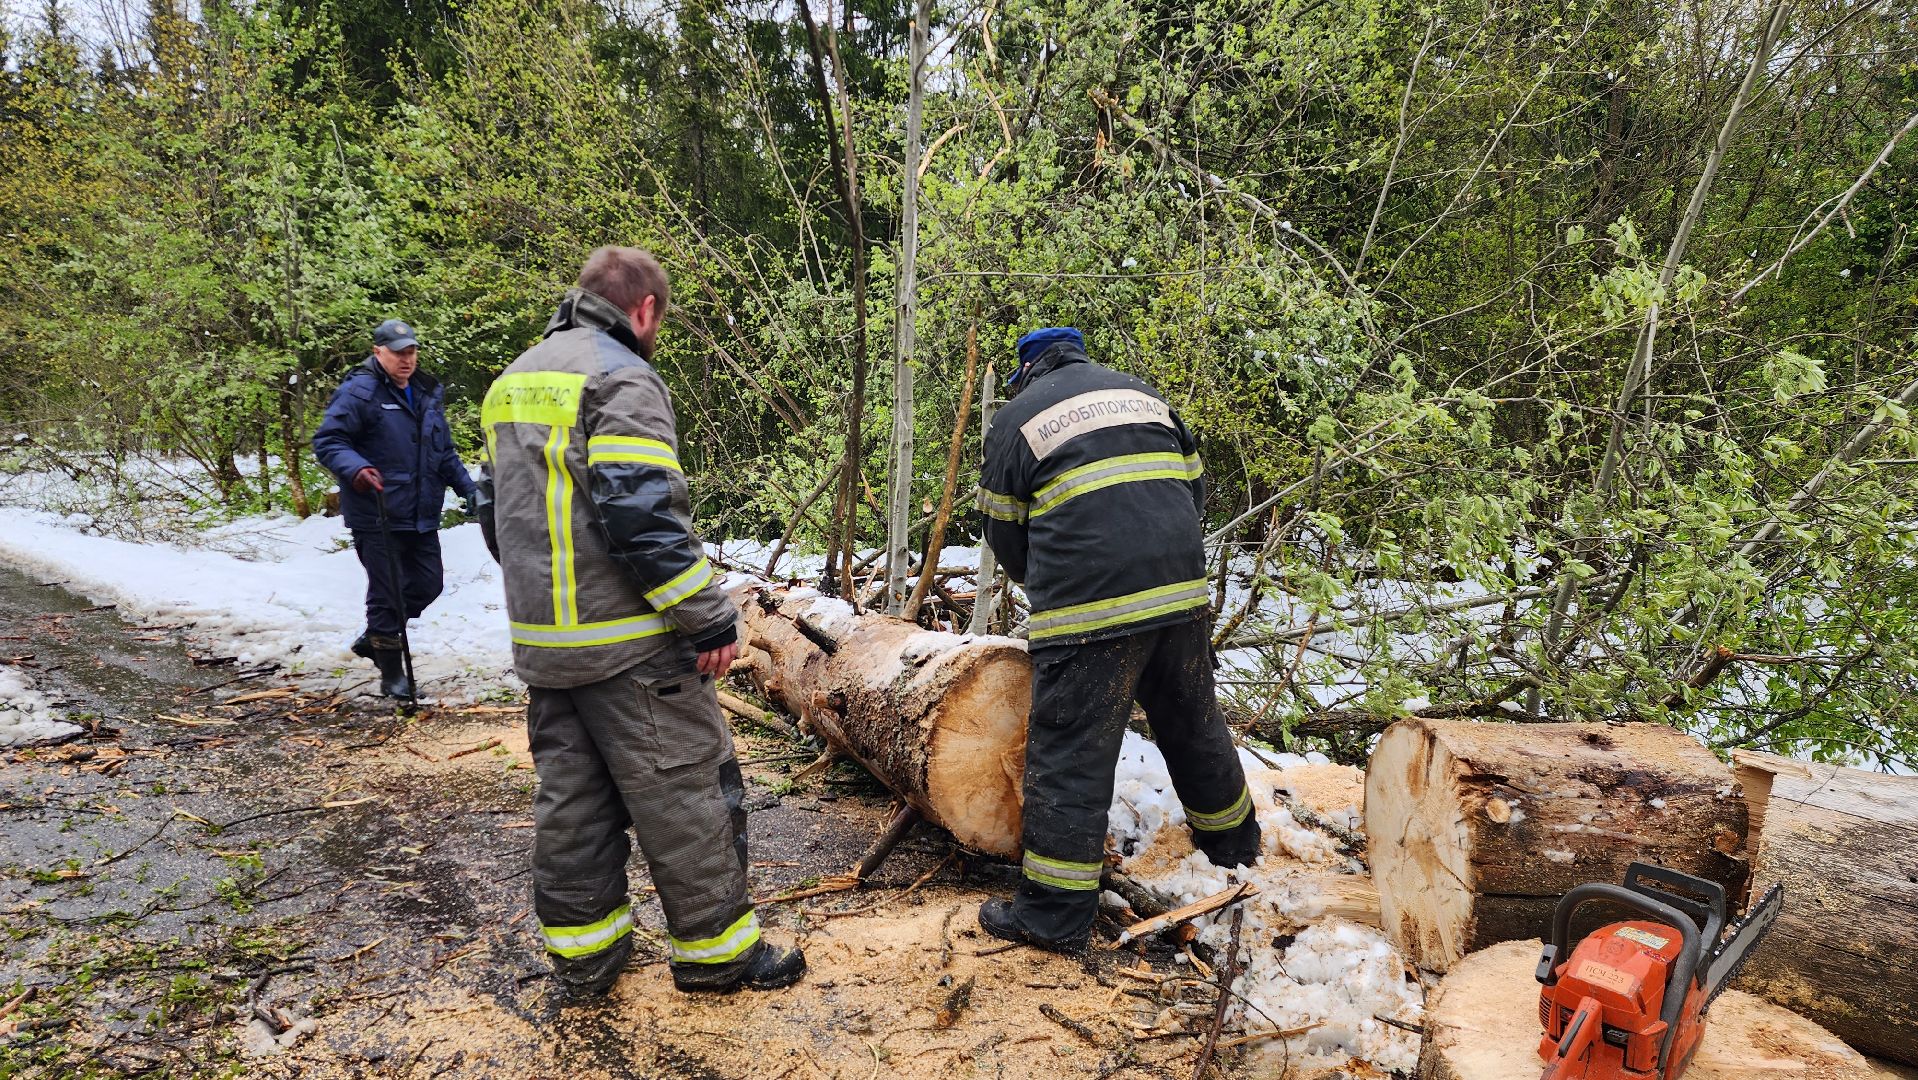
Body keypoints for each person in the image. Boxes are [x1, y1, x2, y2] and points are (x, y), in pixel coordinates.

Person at [474, 246, 804, 1000]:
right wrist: (709, 618)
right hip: (628, 643)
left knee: (573, 803)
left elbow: (497, 521)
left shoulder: (513, 380)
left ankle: (586, 960)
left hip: (547, 644)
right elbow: (643, 515)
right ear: (646, 310)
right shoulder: (620, 375)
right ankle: (718, 955)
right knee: (687, 789)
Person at [975, 327, 1263, 953]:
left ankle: (1053, 913)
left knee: (1071, 749)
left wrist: (1049, 581)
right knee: (1192, 720)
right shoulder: (1143, 395)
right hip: (1180, 592)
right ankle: (1236, 847)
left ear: (1028, 371)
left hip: (1091, 608)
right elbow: (1192, 493)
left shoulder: (1016, 419)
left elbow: (1005, 534)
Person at [313, 318, 478, 699]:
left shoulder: (425, 393)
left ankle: (377, 637)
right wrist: (356, 468)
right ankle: (392, 673)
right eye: (398, 353)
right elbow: (329, 440)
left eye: (411, 351)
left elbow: (443, 452)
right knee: (387, 592)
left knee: (428, 583)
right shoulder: (359, 392)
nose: (406, 360)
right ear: (378, 352)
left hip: (420, 510)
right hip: (377, 510)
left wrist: (469, 489)